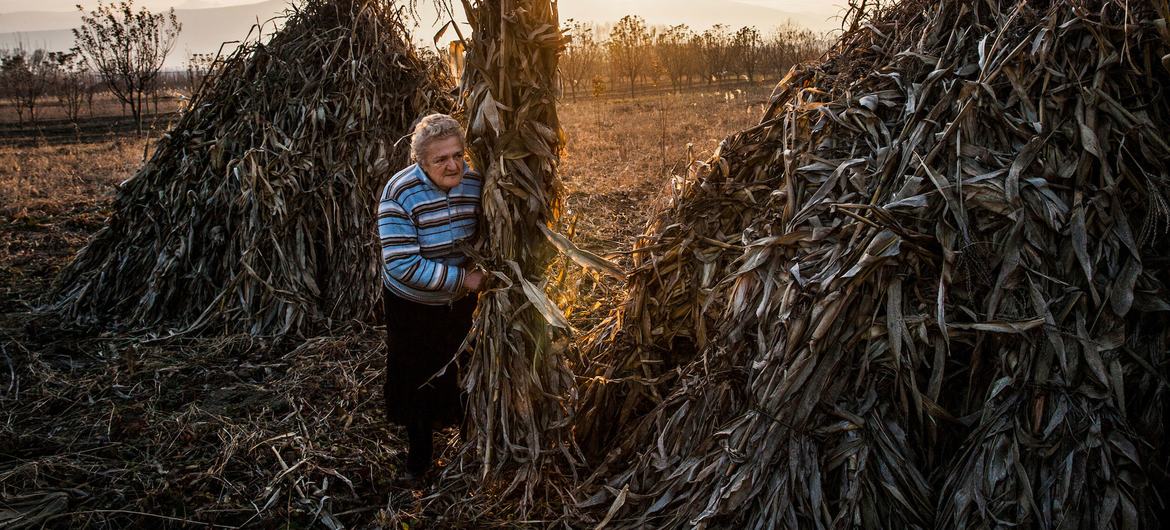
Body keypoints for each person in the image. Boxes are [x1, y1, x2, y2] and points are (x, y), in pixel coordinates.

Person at [377, 113, 487, 478]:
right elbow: (401, 264)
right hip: (413, 304)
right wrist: (462, 280)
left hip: (459, 301)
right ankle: (419, 462)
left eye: (458, 154)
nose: (453, 165)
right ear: (420, 161)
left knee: (464, 367)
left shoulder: (475, 182)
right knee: (417, 378)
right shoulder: (399, 193)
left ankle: (473, 445)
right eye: (441, 159)